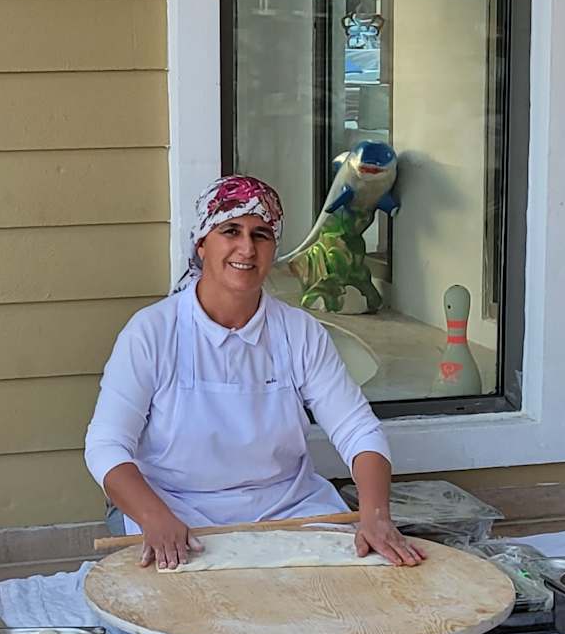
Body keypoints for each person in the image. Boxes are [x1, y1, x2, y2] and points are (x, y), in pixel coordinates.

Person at [84, 173, 422, 571]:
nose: (247, 248)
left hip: (290, 510)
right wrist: (154, 517)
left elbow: (358, 429)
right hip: (176, 511)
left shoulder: (299, 332)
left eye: (261, 234)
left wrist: (375, 513)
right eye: (231, 230)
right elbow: (106, 444)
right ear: (202, 244)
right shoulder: (152, 332)